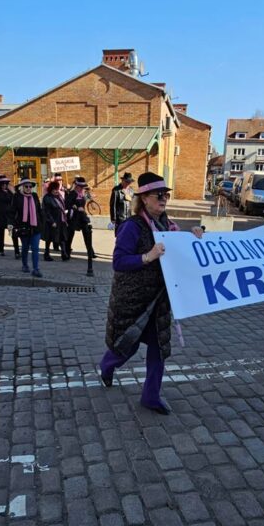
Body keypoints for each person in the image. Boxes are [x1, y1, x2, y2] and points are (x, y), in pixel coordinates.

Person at [99, 171, 203, 415]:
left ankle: (151, 395)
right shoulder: (131, 226)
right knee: (128, 345)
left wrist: (195, 235)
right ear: (144, 198)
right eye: (159, 195)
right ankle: (107, 366)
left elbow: (182, 250)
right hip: (133, 299)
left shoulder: (168, 225)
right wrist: (148, 257)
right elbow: (119, 261)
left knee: (159, 348)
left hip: (159, 300)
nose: (164, 199)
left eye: (166, 195)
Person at [13, 177, 44, 277]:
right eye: (26, 186)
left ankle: (36, 269)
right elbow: (12, 211)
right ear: (22, 187)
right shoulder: (17, 197)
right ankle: (25, 265)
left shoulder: (34, 196)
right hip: (23, 227)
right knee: (25, 248)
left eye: (30, 186)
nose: (28, 188)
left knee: (35, 248)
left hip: (35, 226)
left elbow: (39, 210)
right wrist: (13, 225)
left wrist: (42, 222)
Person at [66, 176, 96, 263]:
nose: (81, 188)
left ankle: (90, 252)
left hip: (82, 216)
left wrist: (92, 205)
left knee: (87, 233)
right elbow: (67, 204)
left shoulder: (83, 193)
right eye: (80, 186)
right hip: (73, 217)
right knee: (70, 235)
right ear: (76, 186)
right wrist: (74, 207)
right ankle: (67, 252)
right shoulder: (72, 193)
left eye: (83, 187)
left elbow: (89, 198)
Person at [0, 176, 18, 257]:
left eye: (6, 184)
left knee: (13, 233)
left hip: (9, 216)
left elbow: (15, 197)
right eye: (3, 184)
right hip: (0, 215)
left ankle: (17, 251)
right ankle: (1, 249)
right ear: (0, 184)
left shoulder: (10, 192)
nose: (5, 185)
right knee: (1, 234)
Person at [42, 180, 69, 261]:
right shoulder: (47, 198)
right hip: (52, 221)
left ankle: (64, 254)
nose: (57, 191)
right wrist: (51, 221)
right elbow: (46, 211)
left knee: (62, 238)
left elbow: (63, 206)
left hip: (61, 220)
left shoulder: (59, 196)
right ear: (51, 190)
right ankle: (46, 254)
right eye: (55, 189)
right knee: (49, 239)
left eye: (57, 189)